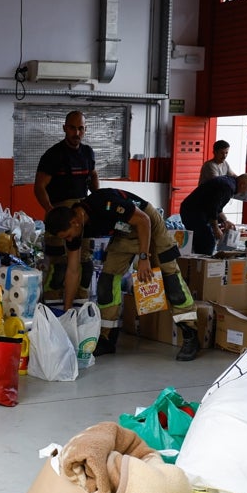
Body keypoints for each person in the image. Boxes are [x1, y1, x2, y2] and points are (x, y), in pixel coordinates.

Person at [44, 188, 200, 361]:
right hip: (124, 233)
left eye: (67, 236)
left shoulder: (104, 204)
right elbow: (73, 271)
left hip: (148, 225)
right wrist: (67, 310)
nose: (68, 240)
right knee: (106, 283)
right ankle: (107, 338)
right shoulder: (75, 232)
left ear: (74, 222)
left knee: (171, 281)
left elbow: (143, 221)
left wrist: (143, 258)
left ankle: (190, 334)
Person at [35, 110, 98, 298]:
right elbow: (39, 187)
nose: (76, 133)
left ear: (85, 130)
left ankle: (79, 306)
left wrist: (97, 197)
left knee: (85, 265)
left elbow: (93, 175)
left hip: (83, 216)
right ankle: (51, 310)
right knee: (59, 268)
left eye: (80, 129)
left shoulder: (88, 153)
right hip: (60, 217)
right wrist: (50, 211)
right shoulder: (53, 155)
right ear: (64, 128)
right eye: (72, 128)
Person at [179, 172, 247, 255]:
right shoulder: (228, 187)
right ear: (242, 184)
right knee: (208, 242)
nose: (245, 192)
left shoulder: (229, 182)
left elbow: (217, 208)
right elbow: (213, 208)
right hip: (193, 212)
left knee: (201, 240)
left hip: (193, 209)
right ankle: (202, 265)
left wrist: (225, 221)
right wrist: (216, 228)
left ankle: (194, 262)